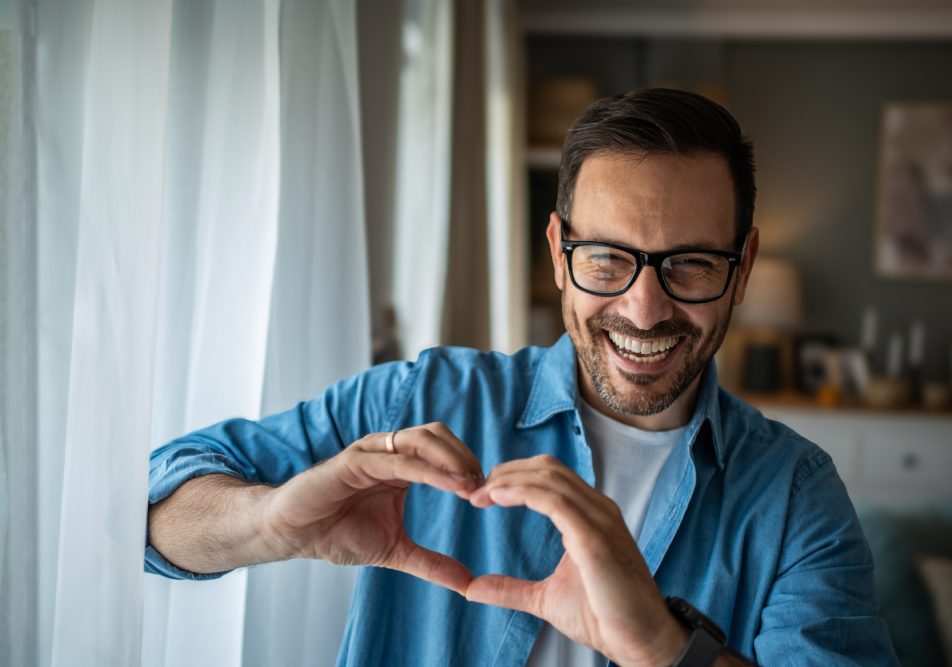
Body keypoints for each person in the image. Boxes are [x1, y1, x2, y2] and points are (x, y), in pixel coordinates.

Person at [146, 88, 899, 666]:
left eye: (692, 263)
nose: (644, 309)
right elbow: (155, 511)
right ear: (558, 253)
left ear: (744, 267)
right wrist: (272, 522)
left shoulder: (796, 495)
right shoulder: (419, 399)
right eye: (606, 258)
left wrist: (664, 647)